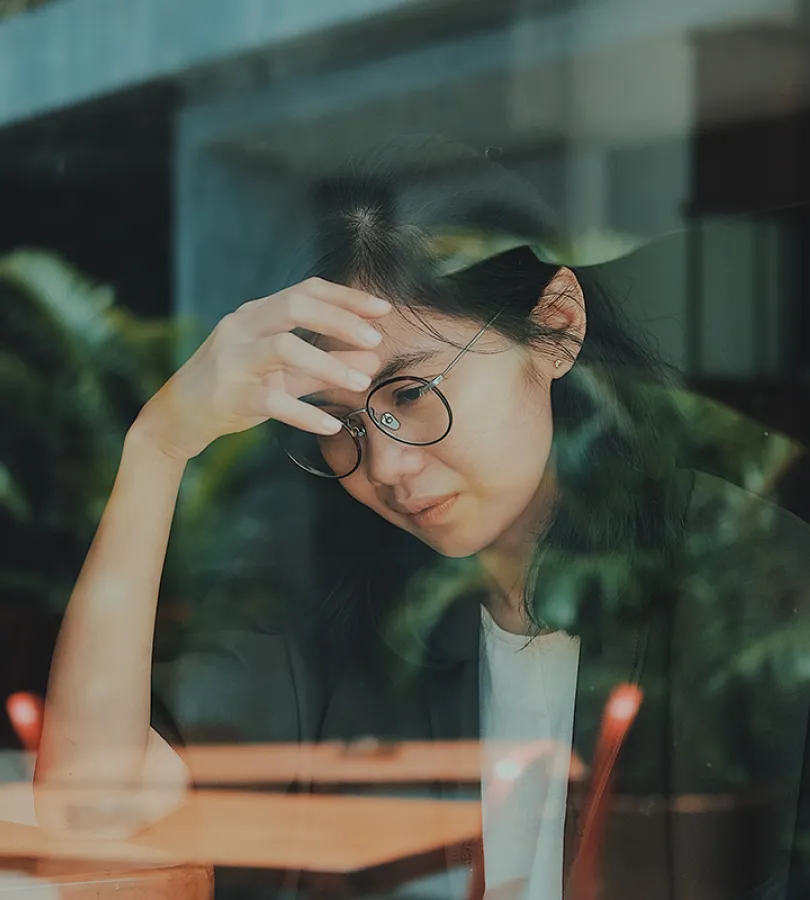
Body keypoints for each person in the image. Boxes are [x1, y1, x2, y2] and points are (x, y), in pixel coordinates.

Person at [33, 137, 810, 900]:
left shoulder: (753, 581)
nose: (385, 466)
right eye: (342, 425)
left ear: (558, 328)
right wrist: (158, 446)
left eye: (410, 394)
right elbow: (91, 804)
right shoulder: (347, 614)